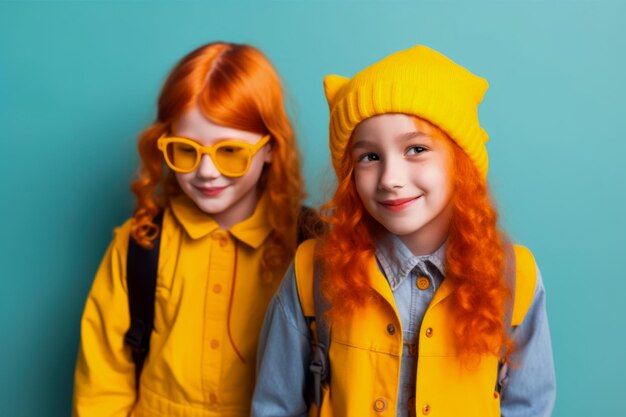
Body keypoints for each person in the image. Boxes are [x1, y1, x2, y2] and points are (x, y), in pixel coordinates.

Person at [252, 45, 556, 417]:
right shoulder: (311, 270)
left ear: (461, 162)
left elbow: (529, 407)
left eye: (416, 149)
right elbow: (275, 405)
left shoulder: (515, 276)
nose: (391, 180)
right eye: (369, 157)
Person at [73, 42, 307, 417]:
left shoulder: (306, 248)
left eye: (230, 152)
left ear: (270, 149)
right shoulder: (140, 243)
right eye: (186, 150)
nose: (206, 171)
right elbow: (102, 382)